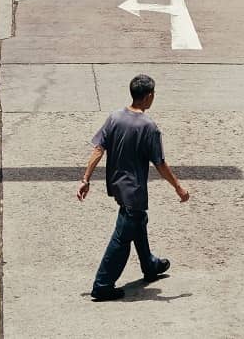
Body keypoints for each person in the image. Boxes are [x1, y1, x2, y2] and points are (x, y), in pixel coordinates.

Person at [77, 73, 189, 302]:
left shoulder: (115, 118)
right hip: (134, 192)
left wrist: (86, 179)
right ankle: (103, 284)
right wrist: (178, 187)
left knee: (138, 223)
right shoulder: (149, 127)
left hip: (118, 187)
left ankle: (150, 266)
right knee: (121, 239)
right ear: (149, 97)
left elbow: (98, 149)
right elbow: (159, 163)